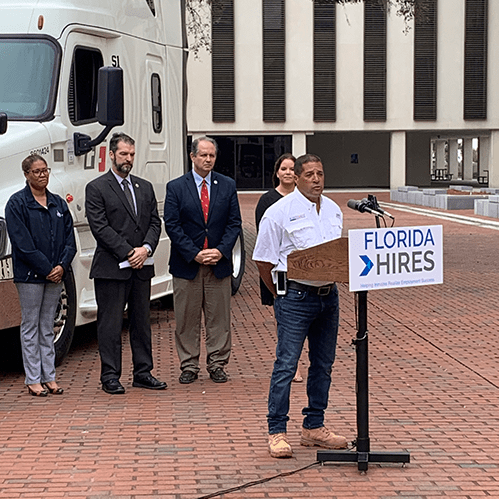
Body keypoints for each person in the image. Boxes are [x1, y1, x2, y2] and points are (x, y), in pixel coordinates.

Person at [253, 153, 348, 458]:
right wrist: (280, 295)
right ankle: (277, 431)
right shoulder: (278, 212)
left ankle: (314, 426)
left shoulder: (333, 210)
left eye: (320, 174)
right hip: (294, 298)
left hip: (328, 298)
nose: (316, 179)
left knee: (323, 365)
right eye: (309, 174)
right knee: (286, 365)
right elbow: (263, 260)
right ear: (295, 177)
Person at [85, 132, 166, 394]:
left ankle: (143, 372)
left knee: (141, 322)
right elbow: (99, 226)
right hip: (111, 268)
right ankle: (110, 375)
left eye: (131, 154)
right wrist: (128, 251)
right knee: (110, 325)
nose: (128, 159)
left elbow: (155, 221)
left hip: (142, 268)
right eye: (123, 154)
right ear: (111, 155)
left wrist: (146, 248)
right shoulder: (97, 188)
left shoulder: (144, 186)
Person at [164, 136, 242, 384]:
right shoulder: (176, 187)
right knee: (186, 318)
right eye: (203, 155)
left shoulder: (227, 185)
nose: (208, 160)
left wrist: (221, 250)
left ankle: (217, 363)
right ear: (192, 156)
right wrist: (194, 253)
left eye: (212, 156)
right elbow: (173, 225)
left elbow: (234, 223)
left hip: (218, 264)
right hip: (187, 264)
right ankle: (189, 365)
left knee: (219, 318)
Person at [5, 154, 76, 397]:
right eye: (36, 171)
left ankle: (50, 377)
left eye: (45, 170)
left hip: (57, 275)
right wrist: (47, 269)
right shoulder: (16, 204)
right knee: (30, 326)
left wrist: (62, 267)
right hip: (30, 277)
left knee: (48, 326)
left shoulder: (58, 203)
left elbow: (69, 240)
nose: (42, 175)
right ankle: (33, 378)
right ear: (26, 175)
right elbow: (23, 244)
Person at [255, 153, 303, 383]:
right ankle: (292, 363)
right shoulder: (267, 201)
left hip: (303, 268)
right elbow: (263, 238)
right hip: (278, 269)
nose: (288, 173)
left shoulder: (305, 198)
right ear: (277, 172)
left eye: (292, 169)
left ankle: (297, 361)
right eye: (283, 168)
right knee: (284, 318)